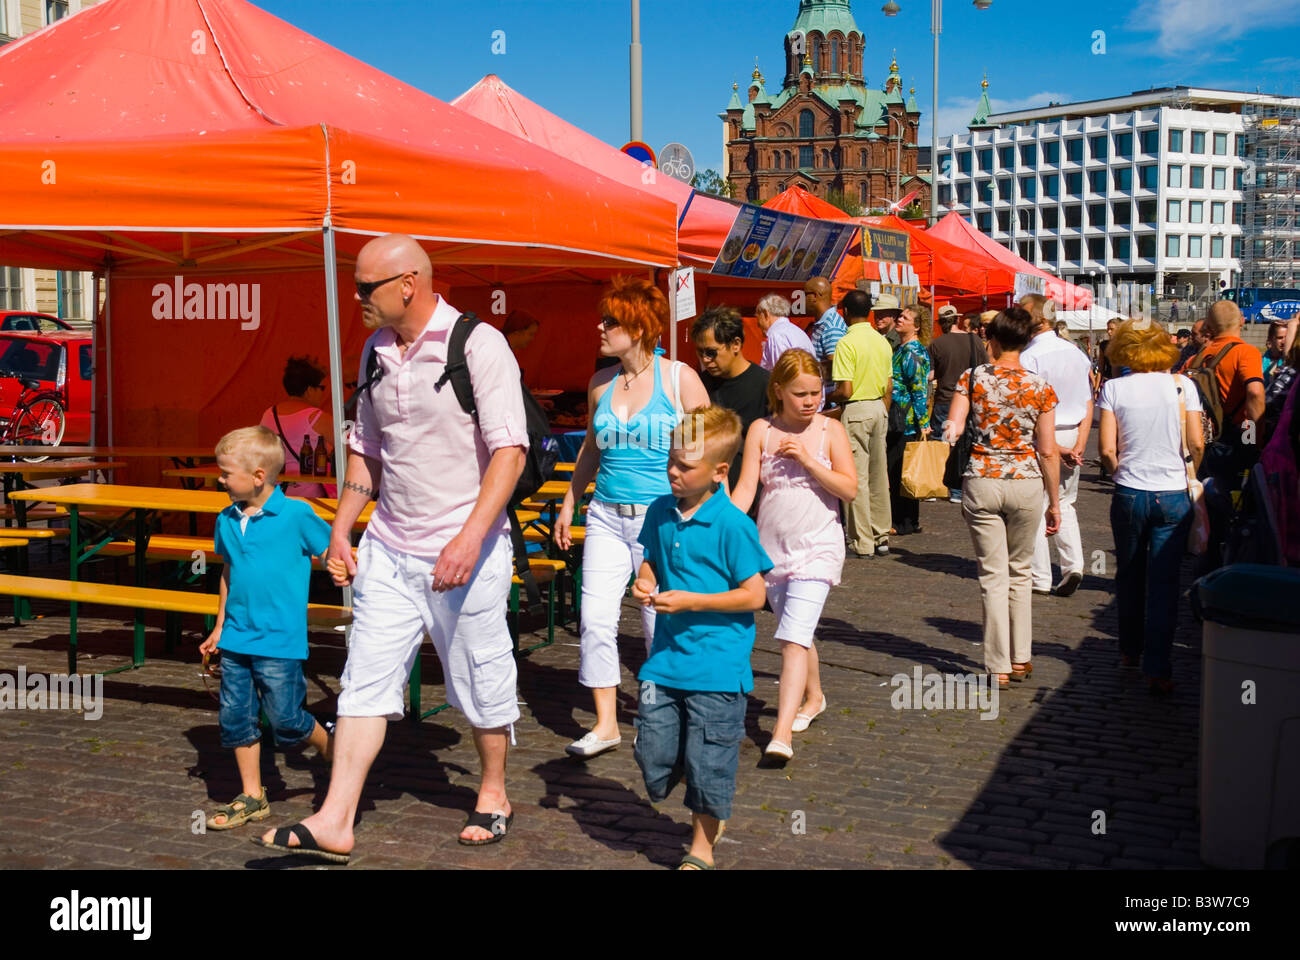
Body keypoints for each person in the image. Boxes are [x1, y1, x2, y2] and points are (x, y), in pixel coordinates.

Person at [255, 234, 528, 859]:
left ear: (408, 283)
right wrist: (343, 526)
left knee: (480, 675)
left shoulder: (479, 346)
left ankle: (493, 792)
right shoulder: (375, 351)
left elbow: (509, 454)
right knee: (363, 682)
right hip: (390, 548)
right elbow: (367, 449)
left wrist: (469, 538)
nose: (356, 300)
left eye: (365, 288)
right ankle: (335, 819)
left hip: (468, 551)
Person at [554, 275, 709, 759]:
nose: (600, 328)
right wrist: (569, 498)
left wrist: (701, 513)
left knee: (653, 619)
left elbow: (711, 447)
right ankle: (606, 724)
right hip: (604, 514)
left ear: (640, 328)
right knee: (595, 618)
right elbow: (589, 452)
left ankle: (660, 713)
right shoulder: (601, 382)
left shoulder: (678, 378)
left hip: (660, 516)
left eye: (612, 321)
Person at [630, 405, 771, 870]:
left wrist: (691, 601)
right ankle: (702, 793)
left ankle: (701, 848)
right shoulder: (659, 511)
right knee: (652, 757)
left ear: (718, 472)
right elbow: (651, 558)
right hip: (664, 662)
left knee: (709, 764)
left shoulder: (733, 525)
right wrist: (645, 578)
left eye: (685, 466)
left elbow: (754, 595)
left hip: (718, 666)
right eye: (670, 460)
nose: (673, 471)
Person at [200, 426, 333, 831]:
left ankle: (337, 751)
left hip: (280, 640)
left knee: (287, 719)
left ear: (258, 475)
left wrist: (346, 569)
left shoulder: (297, 514)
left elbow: (331, 552)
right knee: (236, 717)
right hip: (237, 636)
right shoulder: (225, 519)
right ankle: (253, 795)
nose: (219, 480)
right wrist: (220, 626)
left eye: (226, 474)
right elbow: (228, 572)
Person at [730, 350, 856, 764]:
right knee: (794, 631)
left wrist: (806, 459)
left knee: (791, 639)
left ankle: (780, 732)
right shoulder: (761, 430)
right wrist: (722, 528)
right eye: (800, 393)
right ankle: (814, 696)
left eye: (816, 392)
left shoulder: (829, 430)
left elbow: (849, 489)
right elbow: (747, 487)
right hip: (771, 550)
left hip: (819, 546)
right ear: (779, 391)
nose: (809, 401)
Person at [945, 306, 1062, 688]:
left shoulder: (972, 377)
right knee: (1021, 572)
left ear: (991, 340)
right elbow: (1047, 450)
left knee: (992, 575)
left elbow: (955, 426)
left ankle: (997, 665)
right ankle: (1021, 657)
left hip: (982, 477)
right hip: (1025, 480)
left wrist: (948, 433)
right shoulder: (1040, 386)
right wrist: (1055, 502)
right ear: (1026, 341)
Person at [1097, 320, 1203, 696]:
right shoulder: (1182, 385)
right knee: (1165, 583)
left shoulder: (1114, 388)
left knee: (1129, 574)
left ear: (1124, 349)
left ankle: (1130, 649)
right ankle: (1158, 665)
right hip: (1172, 492)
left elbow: (1107, 449)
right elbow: (1196, 442)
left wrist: (1119, 471)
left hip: (1129, 491)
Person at [1020, 294, 1093, 598]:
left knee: (1035, 505)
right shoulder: (1075, 353)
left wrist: (1050, 443)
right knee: (1065, 501)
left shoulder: (1029, 357)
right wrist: (1079, 442)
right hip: (1072, 430)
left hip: (1045, 434)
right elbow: (1088, 401)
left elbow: (1028, 407)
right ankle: (1073, 564)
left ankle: (1039, 575)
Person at [830, 290, 894, 557]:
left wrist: (826, 396)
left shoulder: (846, 343)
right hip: (879, 407)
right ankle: (881, 535)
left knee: (855, 477)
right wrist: (883, 410)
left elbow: (845, 389)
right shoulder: (882, 342)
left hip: (856, 408)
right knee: (879, 476)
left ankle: (862, 541)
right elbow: (889, 385)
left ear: (845, 312)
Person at [692, 305, 769, 486]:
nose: (705, 359)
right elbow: (686, 440)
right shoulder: (696, 384)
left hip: (753, 494)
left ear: (735, 344)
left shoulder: (766, 385)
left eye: (711, 352)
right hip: (706, 493)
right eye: (700, 352)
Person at [929, 303, 989, 504]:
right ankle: (957, 490)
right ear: (957, 320)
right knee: (964, 443)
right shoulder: (975, 341)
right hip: (970, 400)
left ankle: (938, 485)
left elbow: (931, 375)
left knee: (942, 442)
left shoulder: (937, 344)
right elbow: (985, 369)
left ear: (940, 323)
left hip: (945, 399)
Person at [260, 356, 334, 498]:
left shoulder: (268, 414)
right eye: (322, 387)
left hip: (274, 494)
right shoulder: (317, 417)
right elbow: (348, 448)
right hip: (310, 498)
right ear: (309, 390)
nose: (323, 393)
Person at [887, 305, 932, 535]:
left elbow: (918, 389)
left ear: (916, 326)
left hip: (904, 419)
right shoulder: (903, 348)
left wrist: (923, 422)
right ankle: (909, 520)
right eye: (900, 316)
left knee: (899, 471)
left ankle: (902, 521)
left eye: (905, 317)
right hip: (903, 416)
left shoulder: (912, 352)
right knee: (906, 471)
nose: (899, 319)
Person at [802, 276, 848, 403]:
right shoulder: (823, 323)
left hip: (829, 403)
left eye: (805, 295)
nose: (803, 300)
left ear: (815, 296)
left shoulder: (831, 326)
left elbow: (834, 368)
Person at [756, 293, 814, 371]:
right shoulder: (797, 331)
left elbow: (782, 373)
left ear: (766, 314)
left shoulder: (776, 335)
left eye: (758, 317)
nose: (758, 324)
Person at [502, 310, 540, 377]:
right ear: (517, 331)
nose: (532, 339)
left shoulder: (505, 349)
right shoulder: (500, 352)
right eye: (530, 334)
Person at [1263, 320, 1287, 387]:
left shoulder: (1291, 362)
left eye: (1286, 337)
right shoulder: (1258, 363)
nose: (1284, 342)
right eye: (1280, 338)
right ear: (1271, 339)